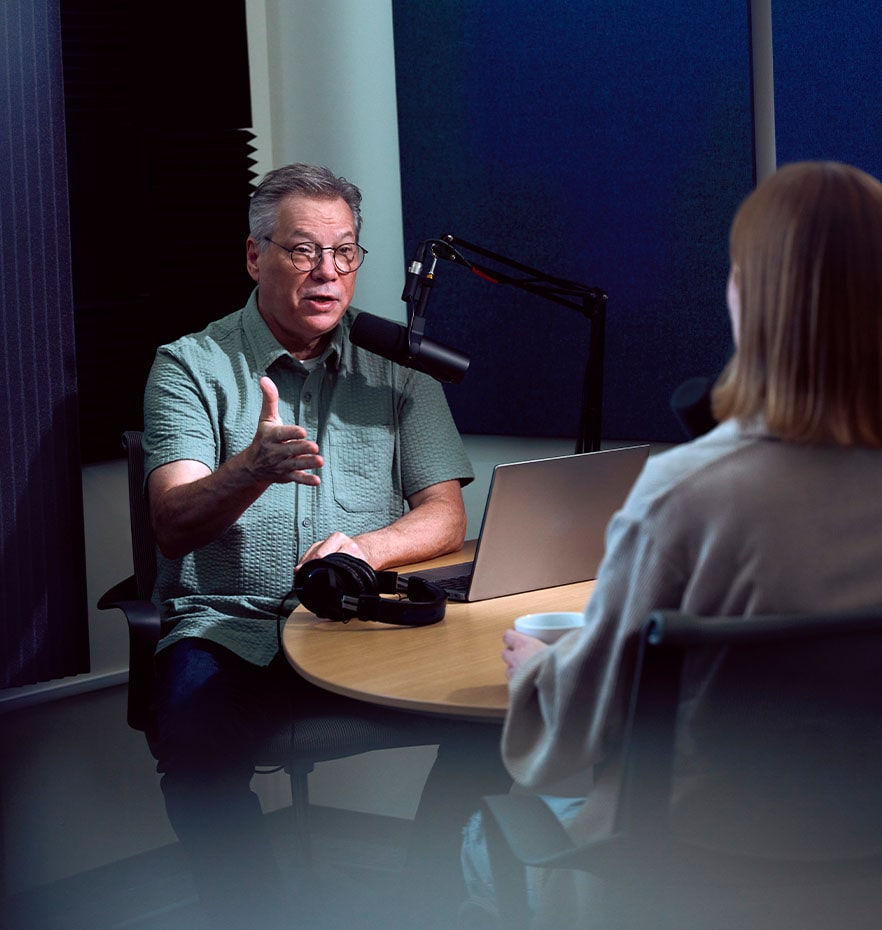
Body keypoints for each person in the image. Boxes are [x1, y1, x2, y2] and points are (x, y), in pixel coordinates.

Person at [460, 161, 882, 929]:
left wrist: (540, 675)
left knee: (476, 841)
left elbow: (571, 740)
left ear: (749, 299)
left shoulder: (684, 495)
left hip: (689, 883)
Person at [142, 163, 508, 929]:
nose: (328, 272)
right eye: (304, 250)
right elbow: (172, 521)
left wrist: (369, 549)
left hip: (364, 625)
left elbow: (444, 515)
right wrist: (250, 469)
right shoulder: (189, 366)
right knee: (190, 741)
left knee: (509, 715)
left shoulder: (400, 367)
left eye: (345, 252)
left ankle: (427, 893)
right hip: (232, 628)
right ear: (255, 256)